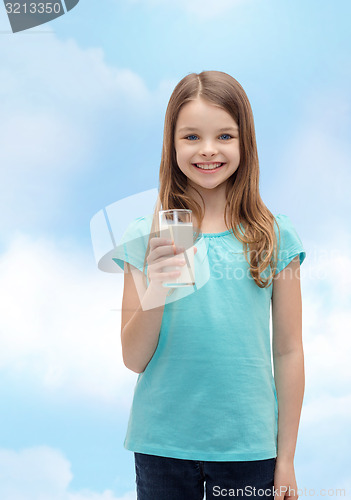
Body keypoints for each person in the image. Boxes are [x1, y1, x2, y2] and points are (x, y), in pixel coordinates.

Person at [112, 70, 306, 499]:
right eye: (191, 137)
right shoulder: (146, 236)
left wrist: (286, 457)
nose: (208, 150)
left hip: (249, 449)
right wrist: (158, 286)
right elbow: (133, 358)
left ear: (245, 143)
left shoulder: (275, 237)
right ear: (172, 143)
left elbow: (288, 349)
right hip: (161, 445)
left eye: (224, 136)